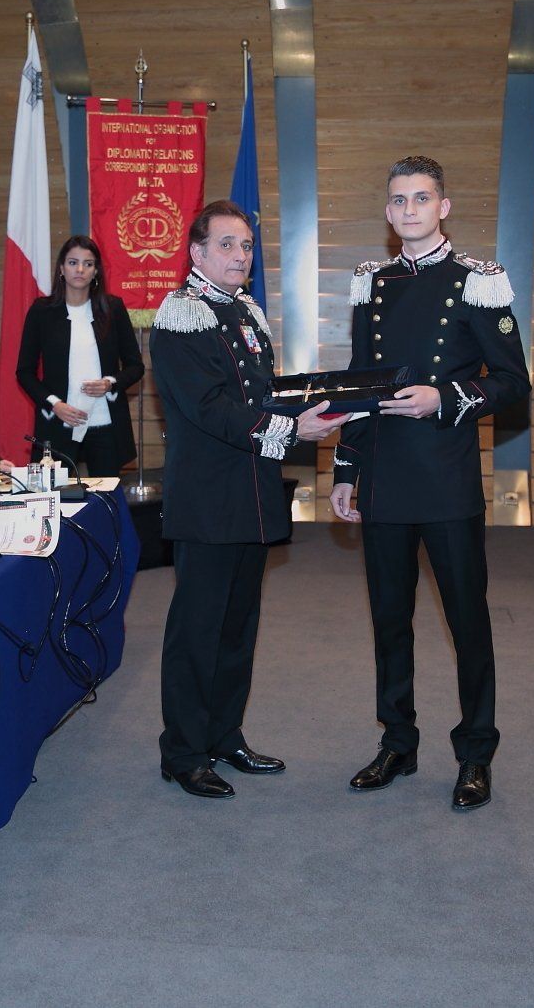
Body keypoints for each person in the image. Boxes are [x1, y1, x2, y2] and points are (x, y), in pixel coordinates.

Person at [330, 155, 531, 813]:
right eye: (399, 199)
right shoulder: (372, 283)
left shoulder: (478, 282)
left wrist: (444, 398)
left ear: (443, 207)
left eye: (421, 198)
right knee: (390, 620)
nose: (409, 209)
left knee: (467, 621)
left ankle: (476, 752)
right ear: (388, 212)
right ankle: (398, 741)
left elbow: (513, 381)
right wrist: (347, 467)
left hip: (445, 479)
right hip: (385, 477)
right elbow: (360, 381)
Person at [151, 200, 346, 799]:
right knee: (198, 630)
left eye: (246, 246)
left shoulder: (243, 312)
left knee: (238, 626)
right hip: (209, 498)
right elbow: (209, 408)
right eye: (227, 244)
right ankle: (184, 752)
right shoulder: (180, 316)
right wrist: (291, 429)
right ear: (197, 252)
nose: (240, 256)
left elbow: (261, 394)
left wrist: (312, 403)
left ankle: (223, 735)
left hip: (252, 492)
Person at [14, 235, 146, 477]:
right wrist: (55, 404)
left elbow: (135, 366)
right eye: (73, 262)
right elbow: (24, 372)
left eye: (88, 263)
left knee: (106, 494)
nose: (80, 269)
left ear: (96, 271)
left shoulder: (113, 308)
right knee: (55, 494)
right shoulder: (42, 311)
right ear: (61, 268)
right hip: (58, 421)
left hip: (105, 422)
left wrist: (110, 383)